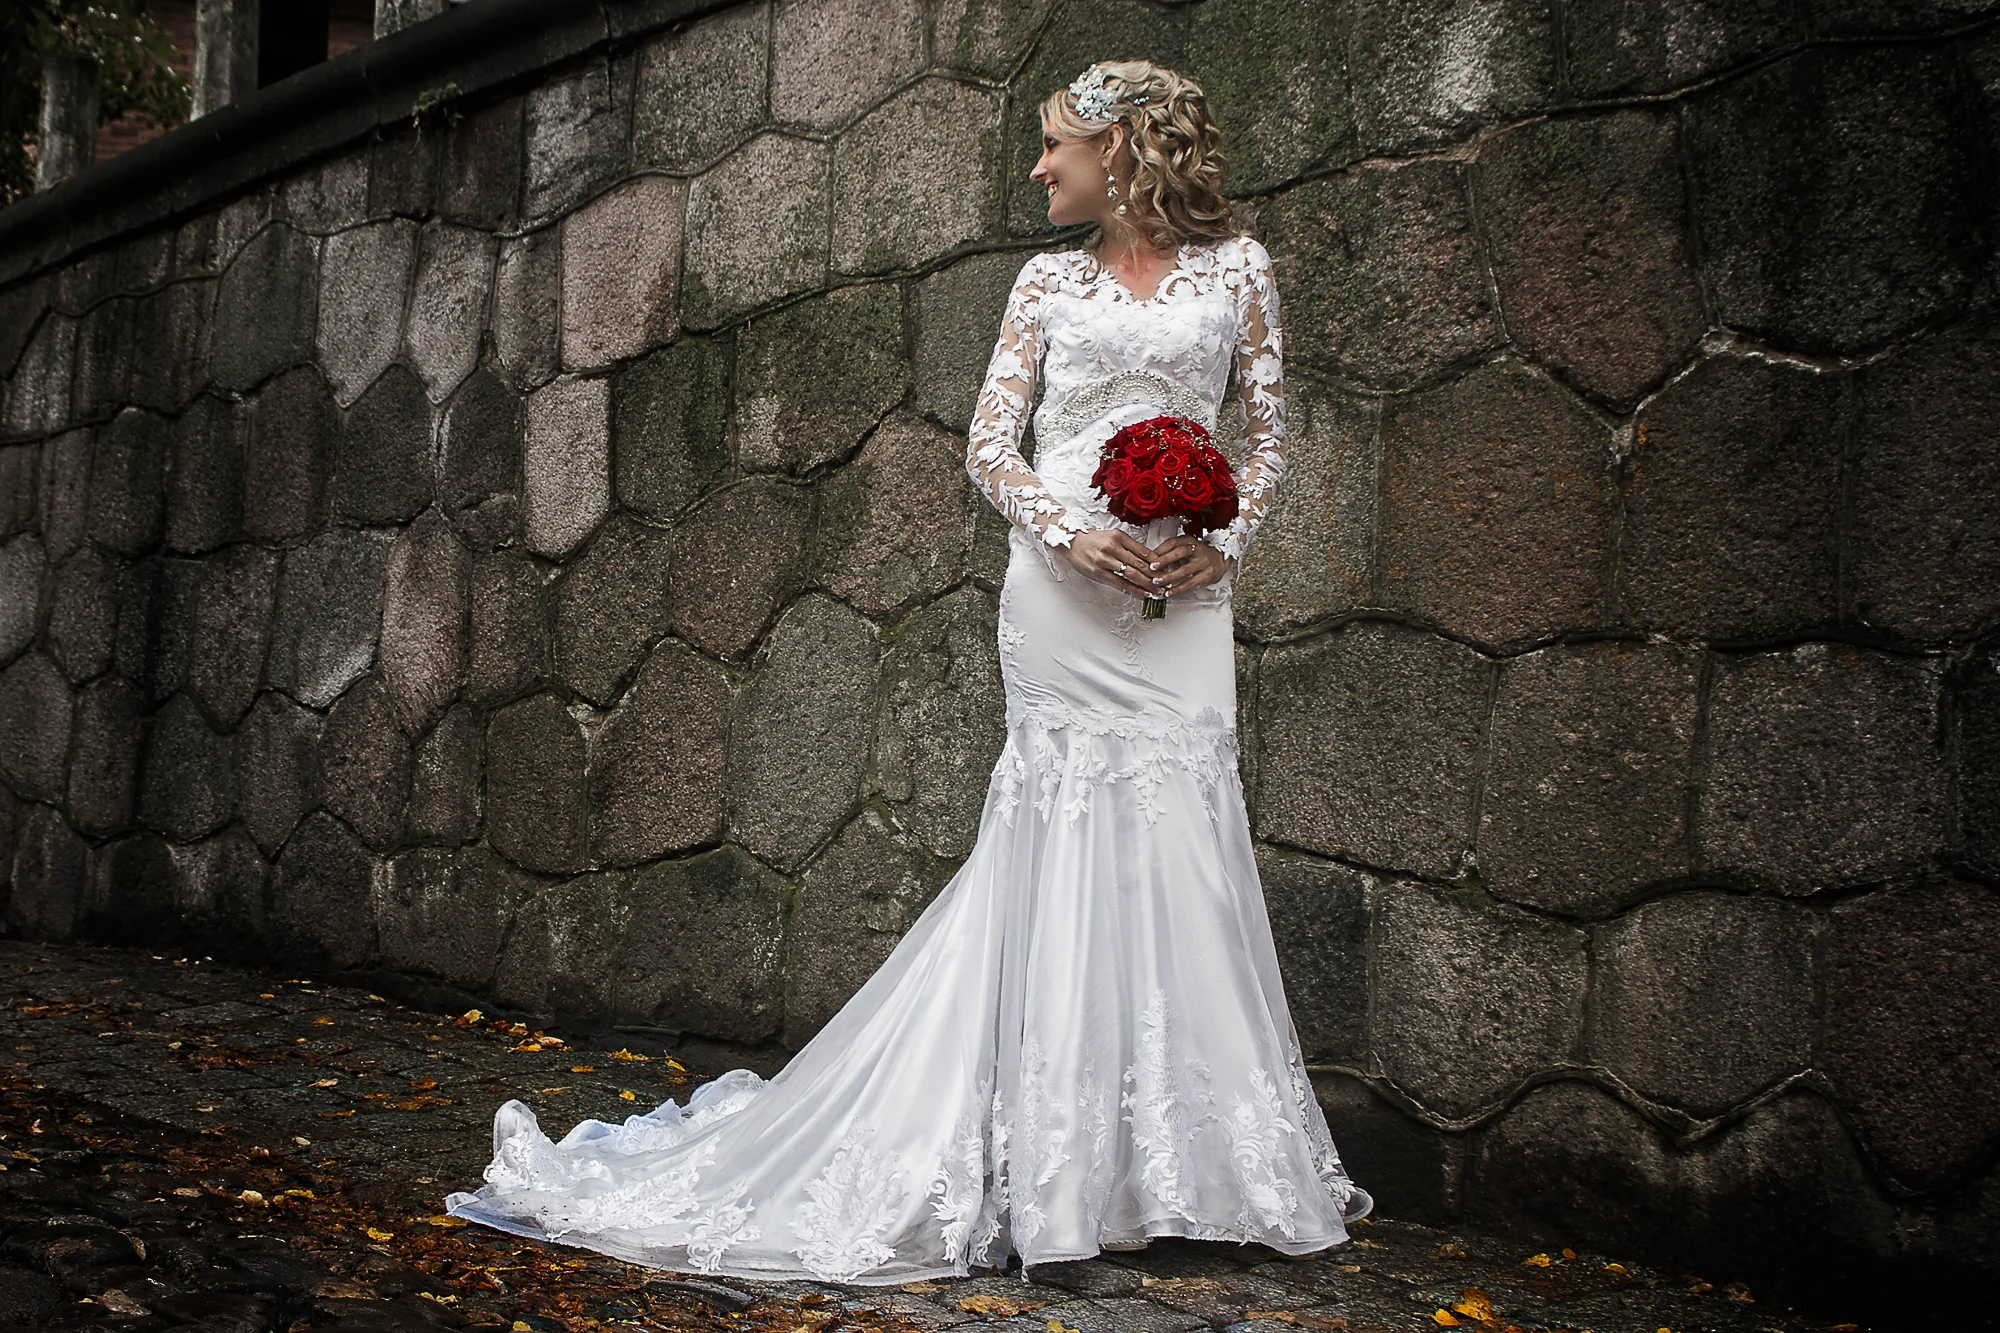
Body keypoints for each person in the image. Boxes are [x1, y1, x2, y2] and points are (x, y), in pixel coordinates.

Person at [445, 59, 1371, 1285]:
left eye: (1053, 146)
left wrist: (1226, 541)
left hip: (1184, 596)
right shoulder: (1044, 282)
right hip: (1063, 593)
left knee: (1185, 851)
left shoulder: (1238, 269)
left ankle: (1193, 1178)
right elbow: (990, 445)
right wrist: (1069, 531)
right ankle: (1055, 1192)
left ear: (1119, 149)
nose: (1036, 168)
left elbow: (1267, 436)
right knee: (1062, 842)